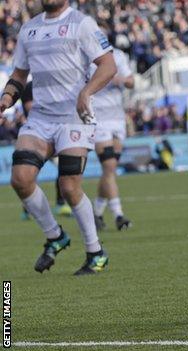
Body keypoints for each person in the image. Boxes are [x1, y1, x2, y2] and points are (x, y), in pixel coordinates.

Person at [0, 0, 117, 275]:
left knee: (68, 185)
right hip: (40, 117)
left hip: (73, 117)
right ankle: (55, 236)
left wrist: (86, 92)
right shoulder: (29, 29)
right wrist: (6, 98)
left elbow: (108, 65)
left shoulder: (82, 24)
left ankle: (95, 252)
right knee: (21, 178)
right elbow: (19, 74)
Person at [91, 22, 134, 232]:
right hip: (98, 118)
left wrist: (120, 79)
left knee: (110, 170)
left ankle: (96, 212)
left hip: (117, 117)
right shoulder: (86, 57)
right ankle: (118, 215)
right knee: (109, 167)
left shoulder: (118, 55)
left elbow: (132, 82)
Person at [19, 81, 73, 221]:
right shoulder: (30, 86)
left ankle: (60, 203)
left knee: (63, 166)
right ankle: (27, 209)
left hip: (52, 134)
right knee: (29, 173)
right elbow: (29, 107)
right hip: (35, 134)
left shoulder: (52, 86)